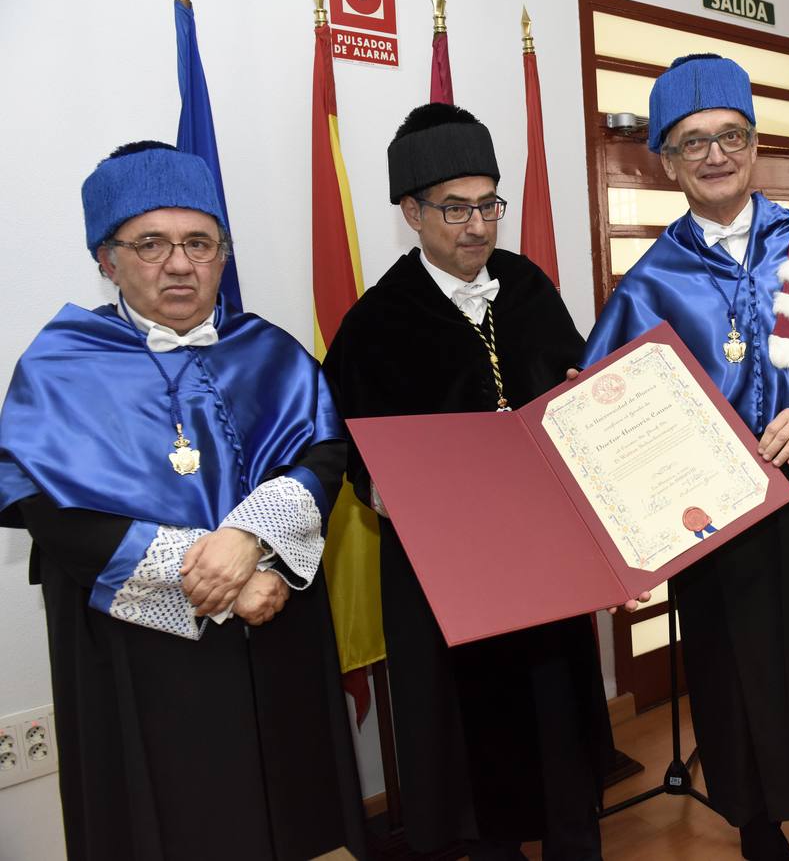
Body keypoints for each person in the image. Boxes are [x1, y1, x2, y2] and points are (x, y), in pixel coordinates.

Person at [0, 142, 365, 860]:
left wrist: (251, 543)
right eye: (150, 243)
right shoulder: (59, 366)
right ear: (106, 259)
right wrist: (221, 583)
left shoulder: (272, 351)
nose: (178, 264)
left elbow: (325, 455)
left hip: (277, 622)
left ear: (222, 256)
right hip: (142, 652)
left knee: (299, 819)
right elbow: (52, 511)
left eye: (199, 243)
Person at [583, 54, 789, 861]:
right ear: (664, 158)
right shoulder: (649, 283)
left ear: (755, 144)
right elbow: (605, 424)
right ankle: (761, 841)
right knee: (731, 686)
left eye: (732, 136)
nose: (716, 155)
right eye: (692, 142)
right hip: (710, 525)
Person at [322, 103, 610, 860]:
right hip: (446, 582)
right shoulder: (375, 323)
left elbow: (569, 389)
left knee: (560, 746)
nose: (478, 226)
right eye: (455, 208)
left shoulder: (528, 285)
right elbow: (354, 461)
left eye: (489, 204)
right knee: (473, 772)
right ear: (411, 212)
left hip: (548, 569)